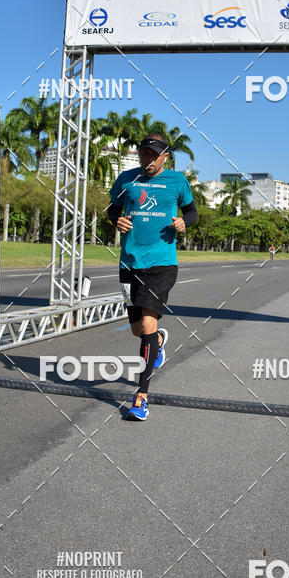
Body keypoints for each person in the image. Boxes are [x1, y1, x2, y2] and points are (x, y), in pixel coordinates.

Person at [108, 133, 198, 421]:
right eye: (143, 154)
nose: (147, 159)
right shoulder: (126, 179)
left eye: (153, 155)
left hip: (162, 263)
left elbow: (192, 210)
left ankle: (140, 398)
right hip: (129, 262)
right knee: (139, 330)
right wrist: (116, 219)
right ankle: (157, 339)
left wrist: (185, 222)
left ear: (165, 157)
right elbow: (112, 208)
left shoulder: (177, 181)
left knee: (147, 322)